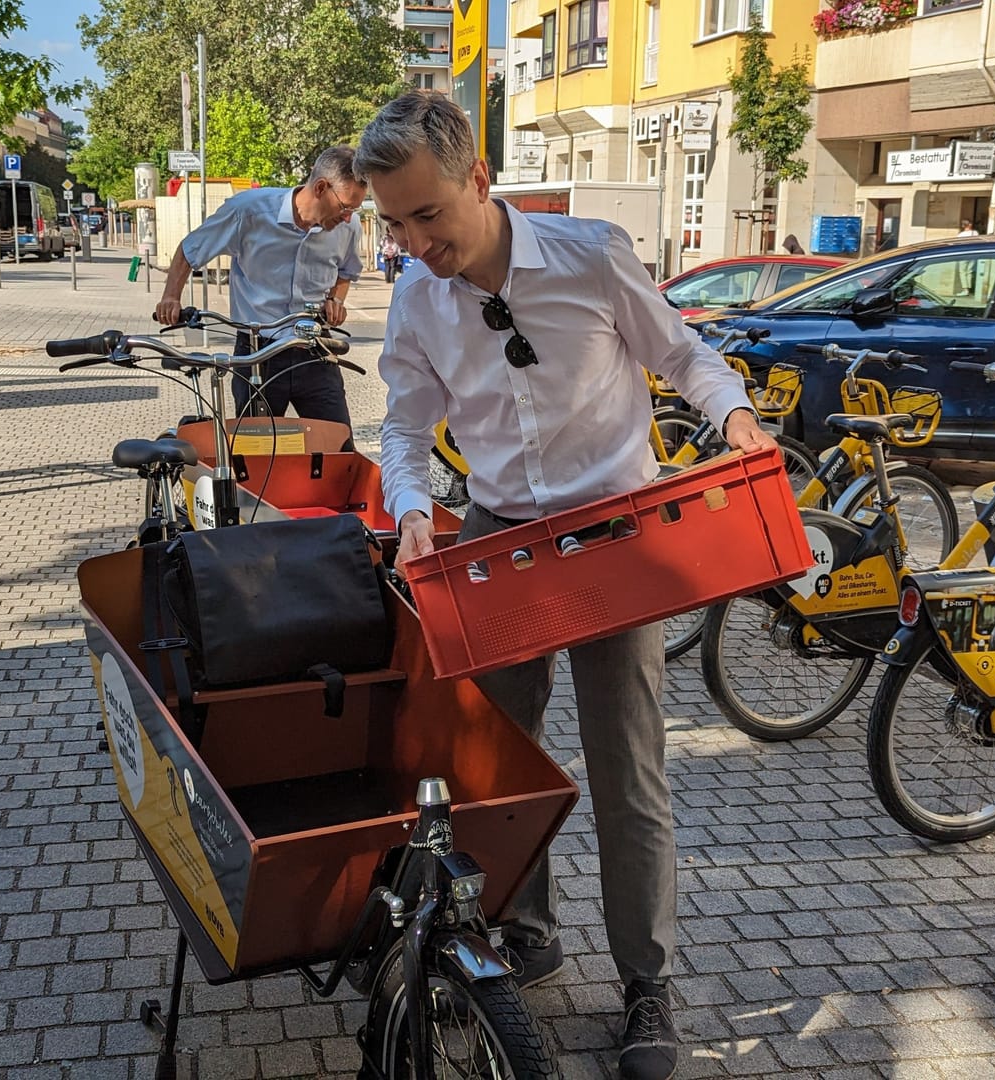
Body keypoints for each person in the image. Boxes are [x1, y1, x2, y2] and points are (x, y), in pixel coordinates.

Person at [357, 91, 776, 1080]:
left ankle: (648, 985)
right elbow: (405, 429)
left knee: (627, 770)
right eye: (394, 223)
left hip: (619, 537)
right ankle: (526, 932)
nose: (415, 242)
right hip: (499, 539)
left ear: (479, 182)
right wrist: (413, 504)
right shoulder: (419, 298)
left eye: (429, 216)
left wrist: (736, 420)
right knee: (501, 767)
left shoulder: (590, 254)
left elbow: (683, 354)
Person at [154, 147, 365, 433]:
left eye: (355, 209)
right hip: (258, 351)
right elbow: (190, 250)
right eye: (345, 207)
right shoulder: (249, 211)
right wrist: (171, 297)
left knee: (337, 445)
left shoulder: (347, 228)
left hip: (316, 349)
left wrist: (335, 299)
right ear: (320, 188)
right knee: (257, 454)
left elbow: (347, 271)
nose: (348, 217)